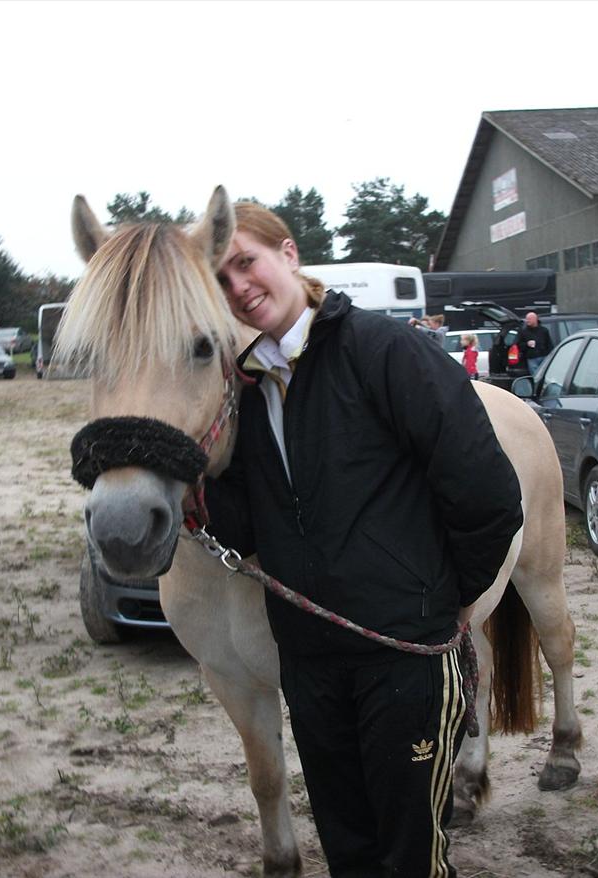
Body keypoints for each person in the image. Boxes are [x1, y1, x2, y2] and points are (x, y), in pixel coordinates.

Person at [206, 202, 523, 877]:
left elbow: (487, 491)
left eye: (245, 262)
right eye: (220, 278)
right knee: (348, 853)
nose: (238, 287)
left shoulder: (384, 350)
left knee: (411, 858)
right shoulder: (249, 387)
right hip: (311, 664)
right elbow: (240, 528)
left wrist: (449, 597)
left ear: (288, 254)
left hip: (401, 656)